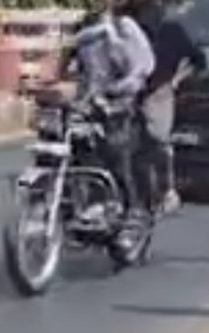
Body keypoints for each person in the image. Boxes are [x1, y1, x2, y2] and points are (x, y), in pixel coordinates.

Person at [57, 0, 156, 223]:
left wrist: (115, 91)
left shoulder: (124, 27)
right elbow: (67, 69)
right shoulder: (82, 28)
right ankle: (78, 206)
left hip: (117, 106)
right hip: (87, 106)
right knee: (75, 155)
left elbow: (142, 68)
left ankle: (131, 214)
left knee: (116, 160)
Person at [132, 0, 207, 213]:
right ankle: (142, 194)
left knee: (157, 140)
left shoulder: (172, 31)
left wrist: (176, 80)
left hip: (159, 91)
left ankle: (167, 191)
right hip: (130, 90)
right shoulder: (133, 30)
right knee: (134, 146)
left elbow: (198, 61)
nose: (151, 11)